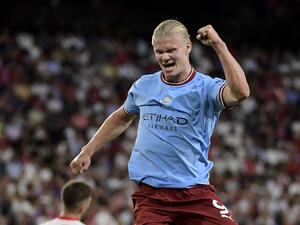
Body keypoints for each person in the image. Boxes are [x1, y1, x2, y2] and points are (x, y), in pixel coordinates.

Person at [70, 19, 250, 225]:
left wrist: (219, 45)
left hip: (196, 193)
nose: (164, 57)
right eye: (159, 52)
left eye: (171, 50)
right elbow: (121, 117)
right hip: (151, 197)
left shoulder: (207, 88)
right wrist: (88, 150)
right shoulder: (144, 86)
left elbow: (241, 92)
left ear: (188, 47)